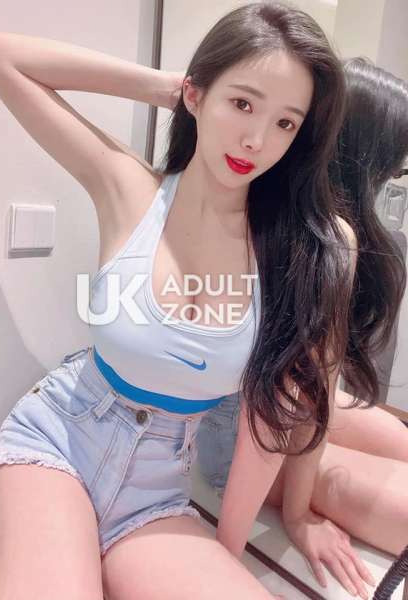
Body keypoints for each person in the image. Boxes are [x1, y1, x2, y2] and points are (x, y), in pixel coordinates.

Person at [0, 3, 358, 599]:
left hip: (157, 491)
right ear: (199, 94)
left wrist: (226, 556)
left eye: (286, 123)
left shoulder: (299, 253)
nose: (256, 140)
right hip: (60, 442)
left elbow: (269, 426)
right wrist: (171, 89)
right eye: (242, 103)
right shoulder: (130, 189)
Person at [196, 56, 408, 599]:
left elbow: (319, 380)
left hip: (293, 408)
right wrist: (296, 514)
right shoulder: (300, 237)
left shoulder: (336, 234)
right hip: (236, 433)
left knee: (400, 442)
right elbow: (280, 405)